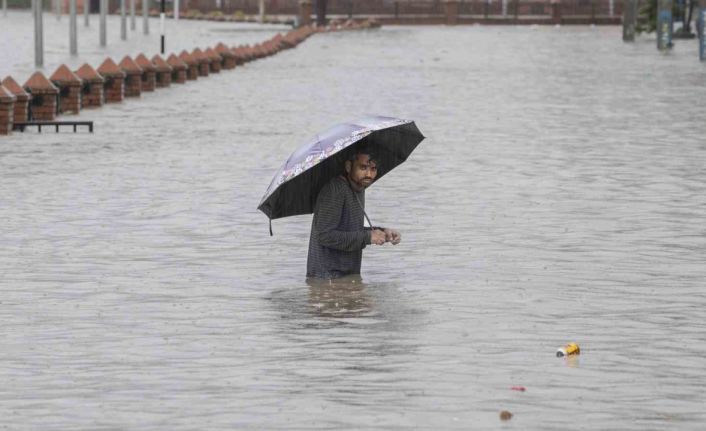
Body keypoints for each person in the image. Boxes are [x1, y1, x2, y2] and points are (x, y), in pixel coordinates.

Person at [306, 145, 401, 280]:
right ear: (349, 167)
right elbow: (324, 235)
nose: (369, 174)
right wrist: (367, 237)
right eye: (363, 168)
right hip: (327, 278)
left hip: (347, 277)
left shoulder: (359, 187)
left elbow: (349, 229)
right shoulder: (335, 190)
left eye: (373, 169)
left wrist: (382, 231)